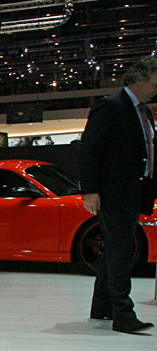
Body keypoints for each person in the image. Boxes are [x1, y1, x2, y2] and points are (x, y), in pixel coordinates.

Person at [79, 55, 157, 334]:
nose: (156, 89)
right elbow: (90, 149)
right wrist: (90, 190)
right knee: (122, 251)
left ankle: (102, 306)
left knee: (115, 249)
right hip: (114, 193)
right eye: (154, 83)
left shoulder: (144, 112)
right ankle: (123, 314)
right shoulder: (110, 106)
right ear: (139, 80)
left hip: (134, 190)